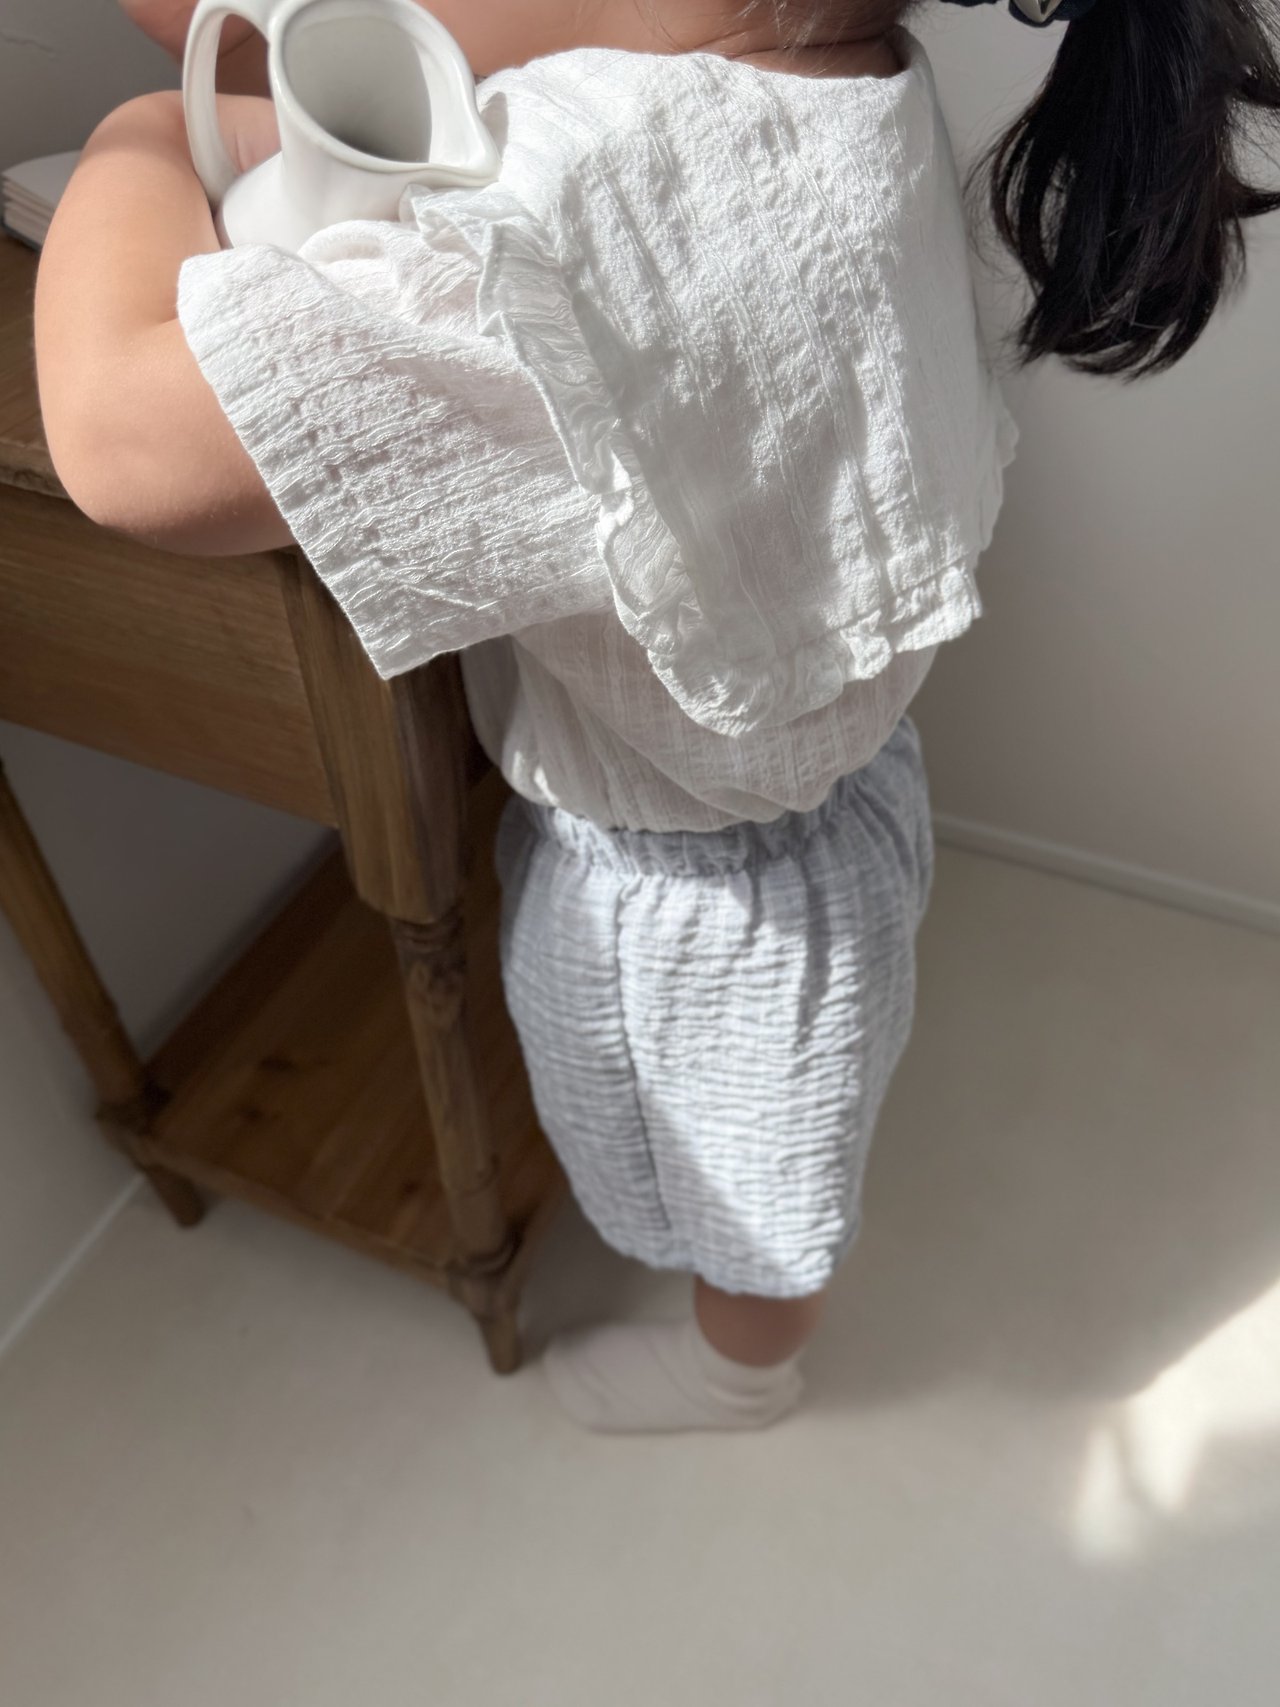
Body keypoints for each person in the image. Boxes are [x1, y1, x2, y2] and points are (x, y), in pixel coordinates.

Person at [34, 0, 1280, 1432]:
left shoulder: (567, 215)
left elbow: (127, 443)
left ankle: (743, 1371)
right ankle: (737, 1321)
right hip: (814, 800)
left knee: (758, 1184)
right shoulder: (835, 71)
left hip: (704, 893)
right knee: (745, 1113)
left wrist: (139, 136)